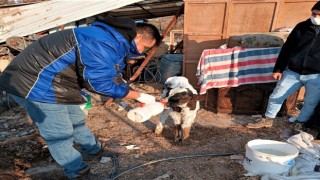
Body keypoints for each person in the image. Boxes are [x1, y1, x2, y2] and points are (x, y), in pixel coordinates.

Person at [0, 16, 161, 179]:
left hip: (57, 81)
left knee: (76, 118)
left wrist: (133, 94)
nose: (141, 52)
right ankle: (78, 173)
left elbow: (113, 74)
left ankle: (93, 149)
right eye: (144, 47)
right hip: (36, 83)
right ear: (137, 36)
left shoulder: (114, 42)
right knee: (59, 133)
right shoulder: (102, 42)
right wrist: (139, 95)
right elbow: (98, 84)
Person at [247, 1, 320, 130]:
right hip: (293, 71)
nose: (315, 17)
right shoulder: (302, 27)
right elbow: (287, 48)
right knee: (277, 95)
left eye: (319, 15)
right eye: (314, 14)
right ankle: (268, 119)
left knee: (310, 102)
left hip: (316, 75)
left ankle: (301, 123)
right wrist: (278, 68)